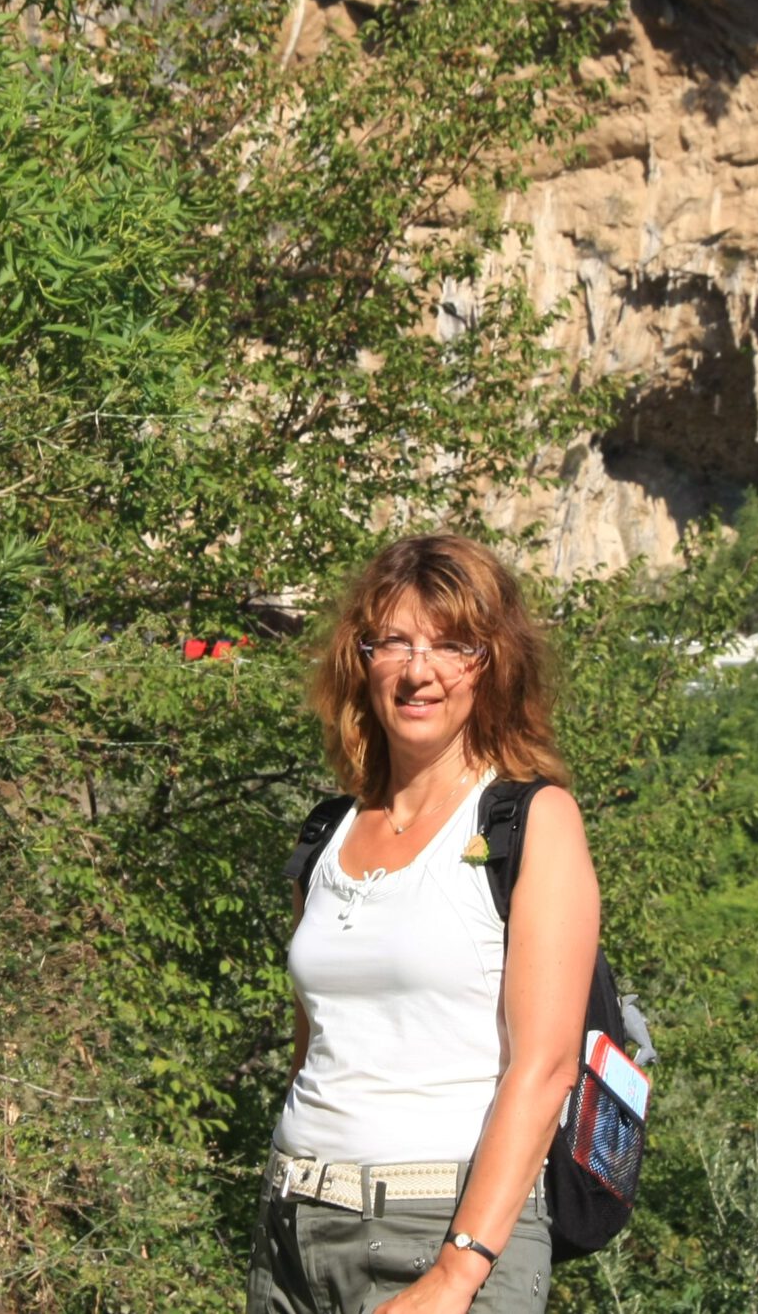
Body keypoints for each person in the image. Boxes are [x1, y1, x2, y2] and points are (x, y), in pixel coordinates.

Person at [247, 534, 601, 1314]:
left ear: (494, 663)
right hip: (292, 1230)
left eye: (452, 645)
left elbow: (546, 1068)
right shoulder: (327, 833)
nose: (419, 670)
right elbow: (315, 1046)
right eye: (395, 642)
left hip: (439, 1230)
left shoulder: (530, 821)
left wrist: (456, 1272)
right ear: (361, 660)